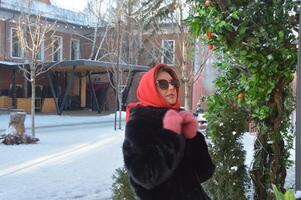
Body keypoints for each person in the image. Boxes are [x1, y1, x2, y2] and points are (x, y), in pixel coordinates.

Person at [123, 63, 215, 200]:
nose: (171, 87)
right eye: (163, 84)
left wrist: (193, 137)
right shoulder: (139, 124)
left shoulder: (179, 118)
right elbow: (147, 177)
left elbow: (204, 172)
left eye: (173, 83)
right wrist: (170, 134)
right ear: (150, 89)